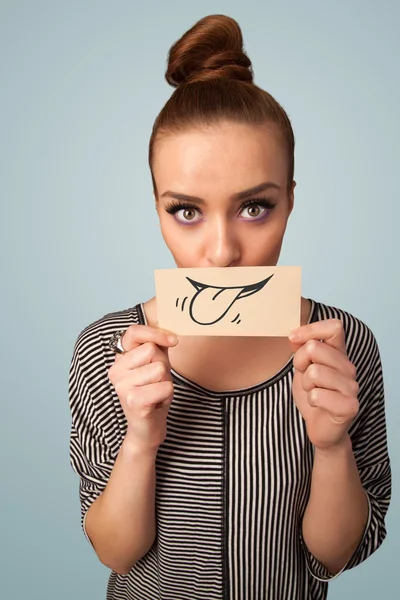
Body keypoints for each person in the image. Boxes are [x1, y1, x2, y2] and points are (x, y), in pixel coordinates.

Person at [68, 14, 391, 600]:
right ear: (157, 206)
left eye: (254, 207)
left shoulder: (342, 345)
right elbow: (114, 553)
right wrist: (141, 439)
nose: (221, 252)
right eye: (186, 211)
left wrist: (332, 445)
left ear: (290, 200)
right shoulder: (106, 348)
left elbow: (337, 556)